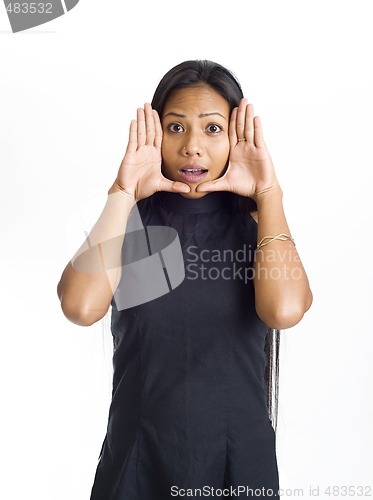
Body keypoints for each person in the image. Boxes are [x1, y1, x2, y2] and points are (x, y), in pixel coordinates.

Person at [57, 59, 313, 499]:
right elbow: (80, 308)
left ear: (236, 136)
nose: (193, 146)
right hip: (139, 460)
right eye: (176, 128)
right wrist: (122, 193)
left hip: (240, 464)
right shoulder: (127, 227)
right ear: (155, 134)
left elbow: (285, 311)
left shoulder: (261, 231)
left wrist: (269, 194)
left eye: (212, 129)